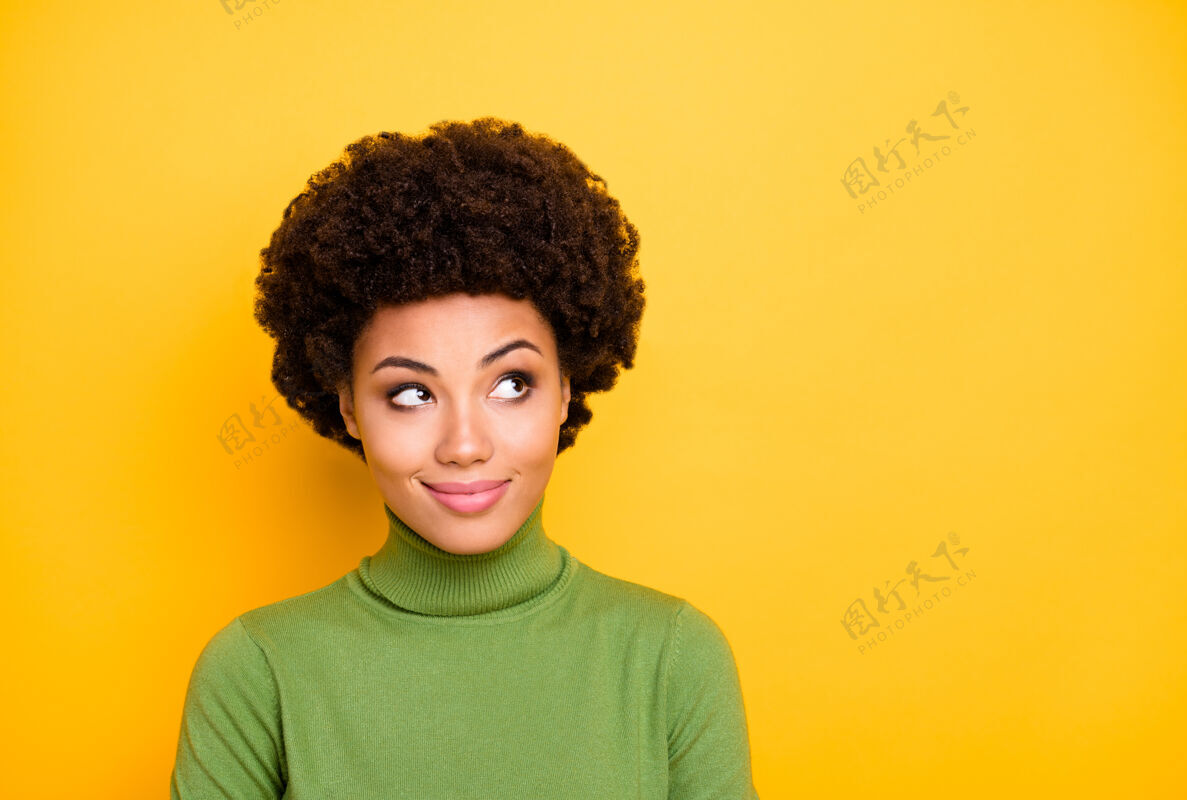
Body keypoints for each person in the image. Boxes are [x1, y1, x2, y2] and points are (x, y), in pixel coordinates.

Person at [170, 117, 759, 799]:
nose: (466, 445)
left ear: (565, 389)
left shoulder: (672, 658)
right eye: (411, 393)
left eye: (512, 385)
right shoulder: (258, 674)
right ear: (350, 408)